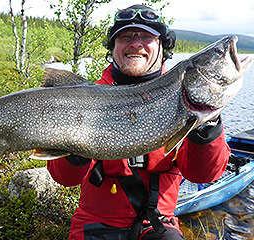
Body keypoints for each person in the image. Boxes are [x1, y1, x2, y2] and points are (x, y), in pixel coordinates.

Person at [47, 4, 230, 240]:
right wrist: (75, 146)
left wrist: (206, 128)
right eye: (125, 37)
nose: (136, 43)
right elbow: (65, 179)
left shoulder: (183, 100)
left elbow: (204, 175)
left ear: (163, 47)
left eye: (146, 36)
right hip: (94, 225)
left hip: (157, 226)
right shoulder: (85, 98)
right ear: (112, 48)